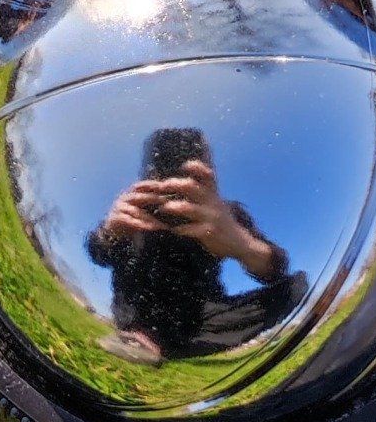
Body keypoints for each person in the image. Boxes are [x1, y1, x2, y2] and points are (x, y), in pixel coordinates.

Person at [86, 129, 303, 363]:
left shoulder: (225, 215)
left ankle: (160, 345)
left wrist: (242, 244)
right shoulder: (136, 205)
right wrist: (110, 232)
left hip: (199, 317)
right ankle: (145, 338)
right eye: (166, 165)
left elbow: (276, 270)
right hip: (137, 311)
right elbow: (98, 254)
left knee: (296, 287)